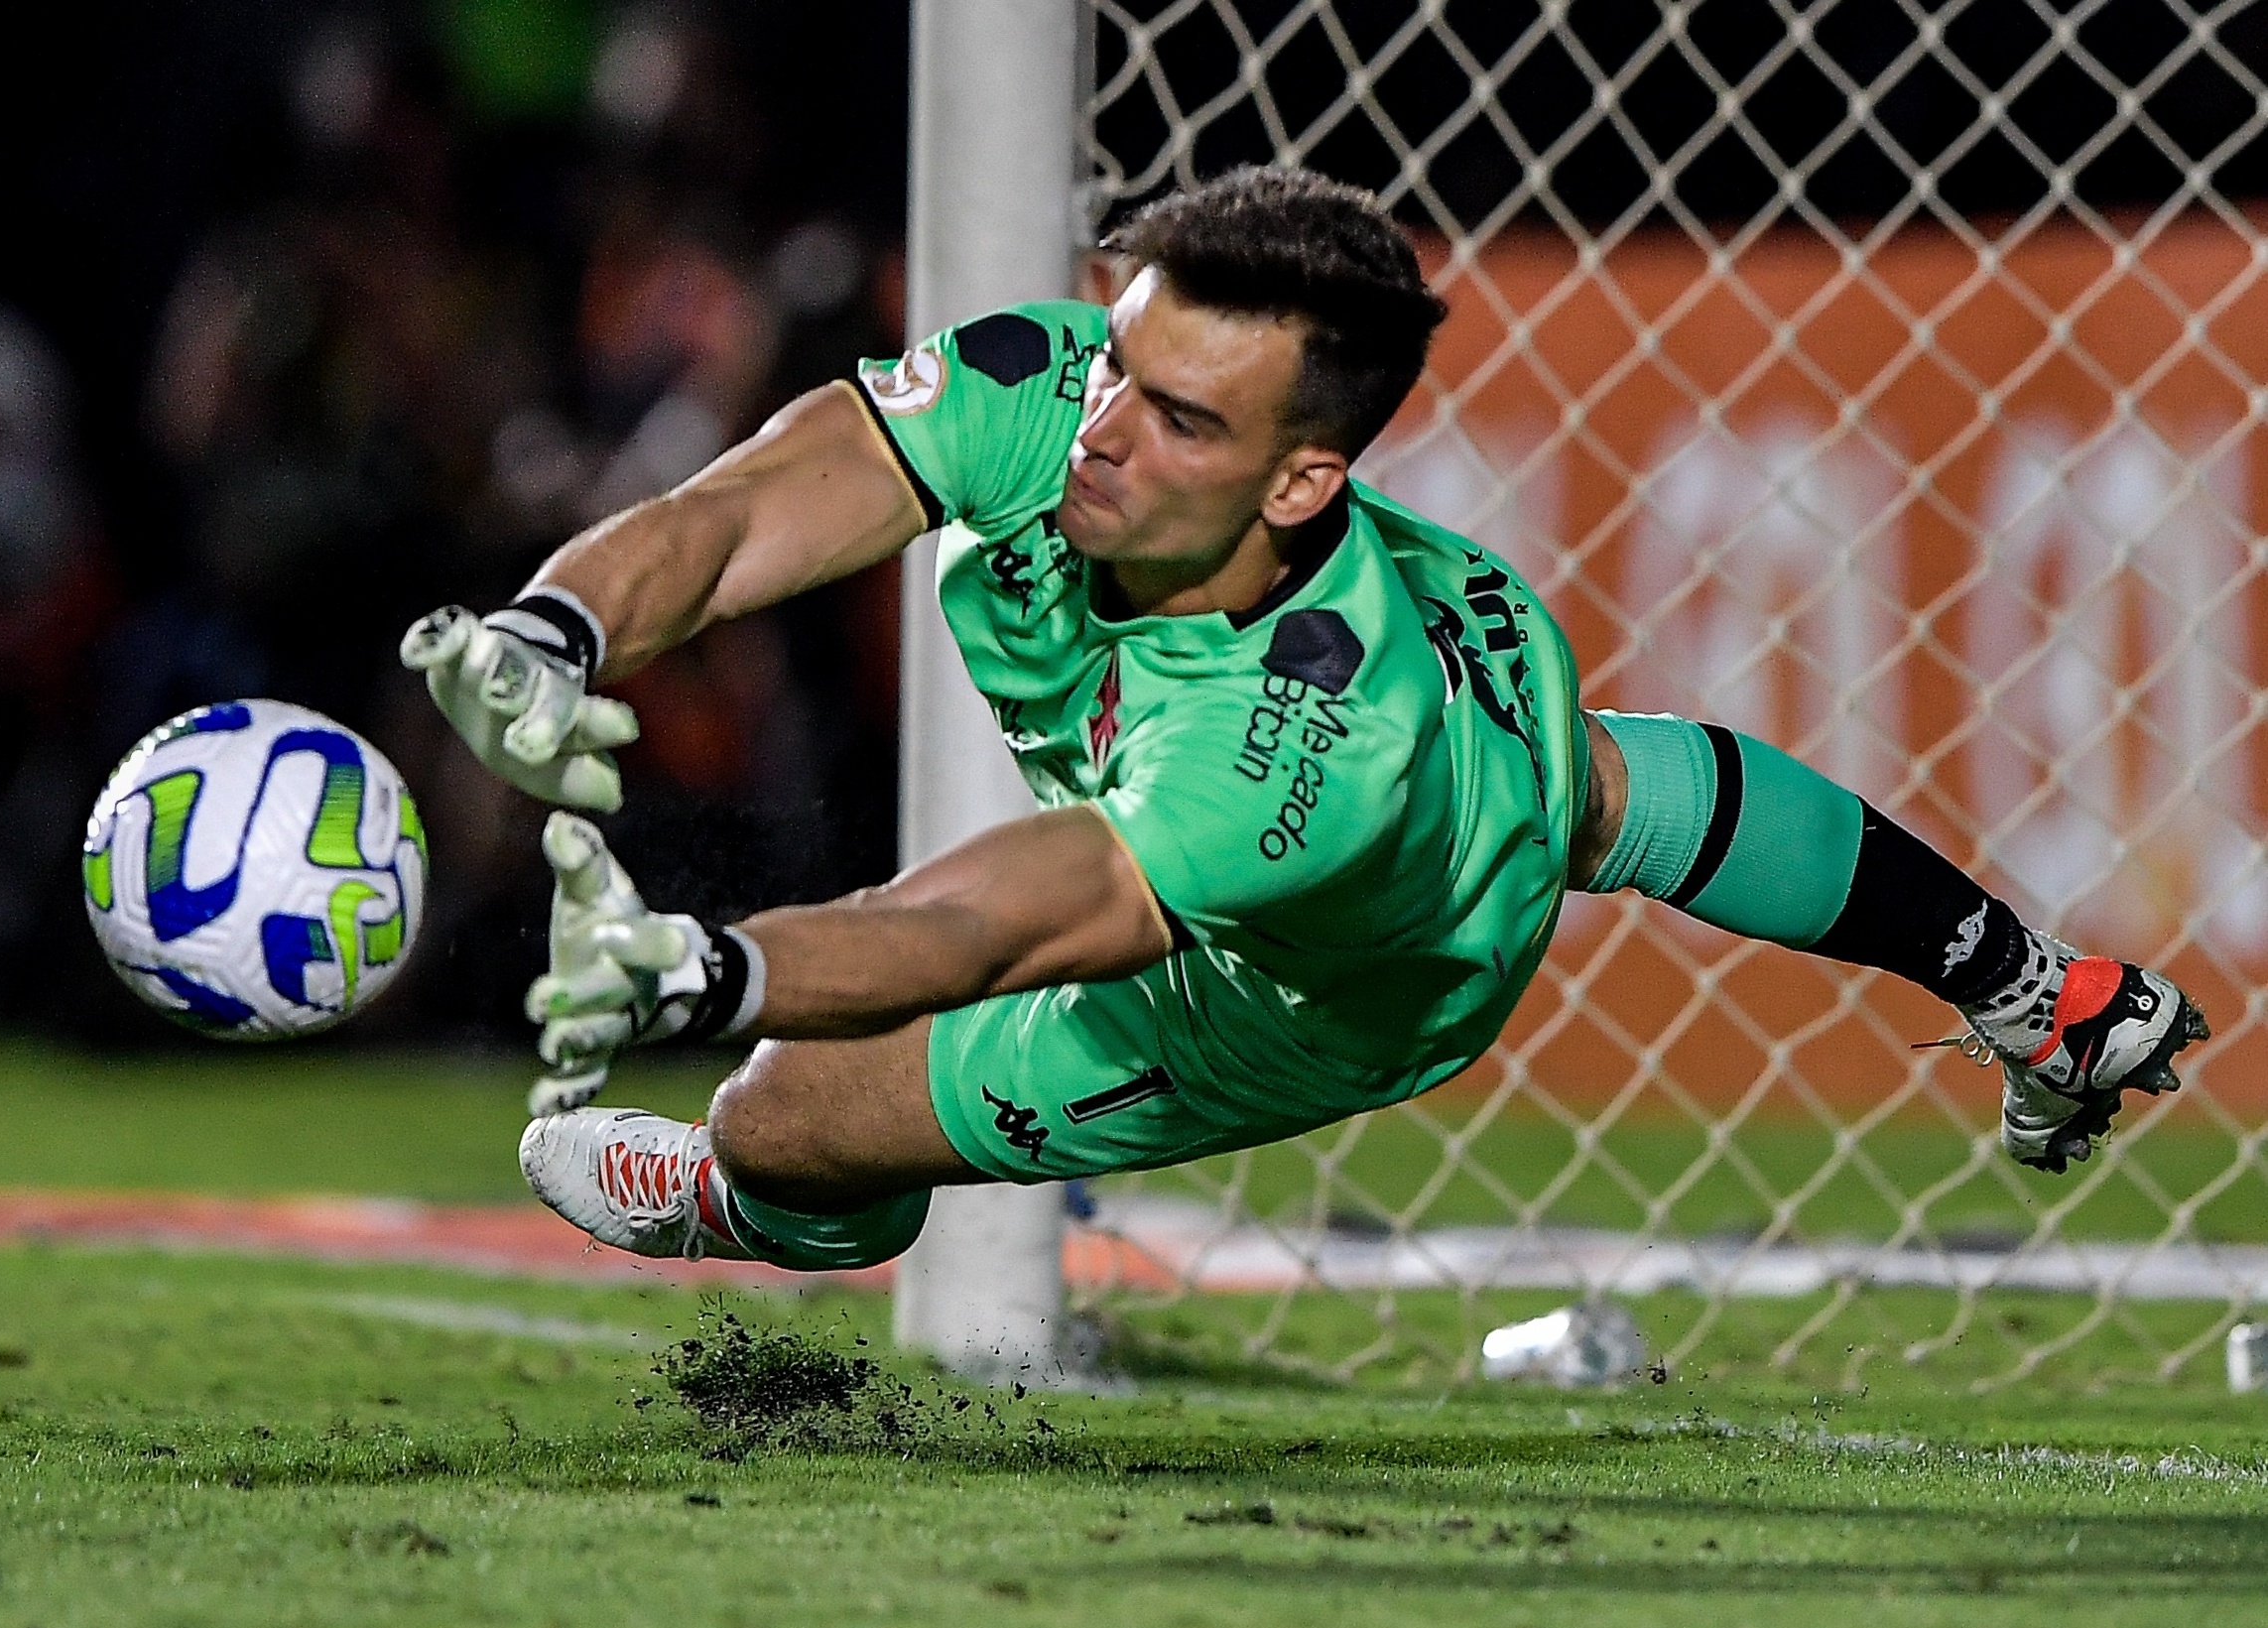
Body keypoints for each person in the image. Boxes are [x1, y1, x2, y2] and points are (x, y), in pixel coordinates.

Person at [398, 166, 2206, 1273]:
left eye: (1185, 421)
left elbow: (982, 929)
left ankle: (770, 1206)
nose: (1105, 429)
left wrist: (710, 971)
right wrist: (558, 627)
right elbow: (751, 504)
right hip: (1474, 680)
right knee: (1597, 787)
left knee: (795, 1111)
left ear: (1298, 478)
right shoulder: (1067, 397)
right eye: (1122, 361)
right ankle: (2025, 982)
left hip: (1335, 977)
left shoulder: (1292, 769)